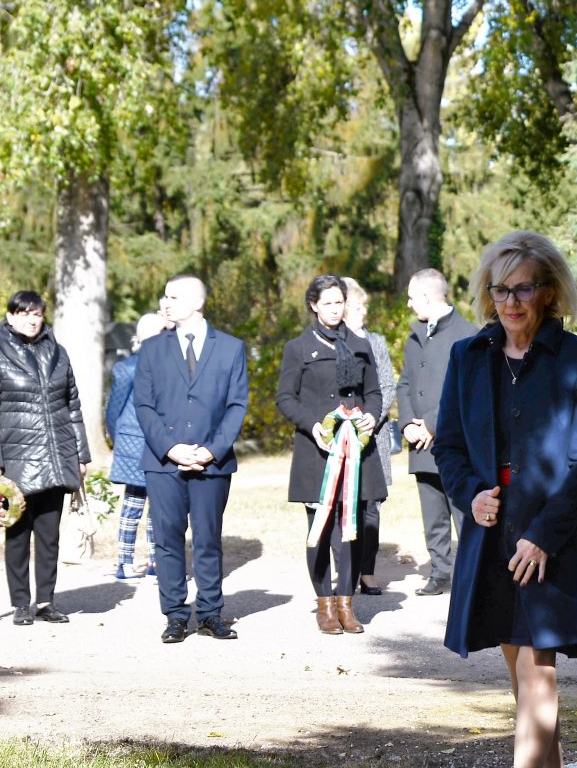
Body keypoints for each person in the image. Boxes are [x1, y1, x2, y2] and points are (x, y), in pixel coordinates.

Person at [432, 232, 577, 768]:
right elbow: (448, 447)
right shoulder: (466, 357)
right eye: (501, 288)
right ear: (489, 292)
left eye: (525, 287)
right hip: (491, 536)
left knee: (539, 673)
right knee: (520, 678)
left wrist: (543, 534)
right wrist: (469, 495)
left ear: (549, 291)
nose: (512, 300)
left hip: (550, 536)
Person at [136, 274, 250, 643]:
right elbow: (143, 405)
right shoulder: (152, 349)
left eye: (172, 296)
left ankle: (211, 613)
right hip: (163, 461)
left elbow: (236, 405)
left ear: (196, 302)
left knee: (207, 539)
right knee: (167, 540)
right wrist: (171, 448)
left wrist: (210, 450)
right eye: (164, 295)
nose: (164, 302)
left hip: (211, 462)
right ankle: (174, 615)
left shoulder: (231, 348)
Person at [277, 275, 388, 636]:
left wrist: (371, 413)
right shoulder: (298, 348)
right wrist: (314, 426)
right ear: (313, 305)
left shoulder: (360, 344)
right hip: (318, 453)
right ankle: (324, 604)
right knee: (320, 531)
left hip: (357, 452)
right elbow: (285, 399)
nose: (335, 309)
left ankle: (346, 603)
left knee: (351, 532)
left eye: (339, 302)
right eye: (327, 303)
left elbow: (373, 392)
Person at [0, 291, 91, 626]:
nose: (31, 319)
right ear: (10, 317)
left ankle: (46, 601)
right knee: (18, 535)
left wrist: (81, 455)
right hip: (16, 461)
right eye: (23, 313)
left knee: (49, 535)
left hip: (56, 458)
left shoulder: (58, 354)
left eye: (36, 313)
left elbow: (73, 407)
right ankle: (21, 604)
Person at [396, 267, 477, 596]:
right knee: (432, 514)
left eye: (412, 298)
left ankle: (471, 575)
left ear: (427, 297)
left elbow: (465, 388)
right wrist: (407, 425)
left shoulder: (467, 333)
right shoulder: (414, 336)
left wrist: (431, 422)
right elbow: (403, 384)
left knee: (462, 511)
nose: (409, 305)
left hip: (455, 442)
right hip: (420, 444)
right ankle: (440, 570)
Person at [342, 276, 398, 596]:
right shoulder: (337, 342)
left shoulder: (375, 341)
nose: (364, 311)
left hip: (372, 437)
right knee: (347, 505)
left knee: (372, 507)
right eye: (359, 305)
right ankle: (347, 570)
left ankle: (368, 571)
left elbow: (388, 385)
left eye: (365, 305)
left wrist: (371, 421)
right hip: (344, 437)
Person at [105, 313, 168, 582]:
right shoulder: (137, 367)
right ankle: (147, 562)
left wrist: (117, 436)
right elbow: (115, 408)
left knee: (136, 506)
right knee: (151, 506)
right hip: (144, 442)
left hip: (139, 441)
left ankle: (130, 562)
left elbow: (113, 410)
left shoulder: (130, 366)